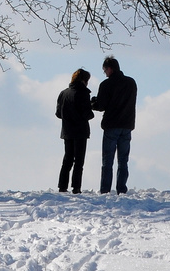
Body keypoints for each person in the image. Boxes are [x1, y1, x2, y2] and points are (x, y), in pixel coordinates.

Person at [90, 55, 137, 194]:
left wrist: (93, 103)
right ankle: (121, 189)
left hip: (111, 125)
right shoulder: (131, 83)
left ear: (109, 69)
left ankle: (105, 189)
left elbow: (102, 105)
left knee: (107, 161)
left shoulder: (106, 84)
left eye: (104, 70)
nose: (105, 73)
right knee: (123, 161)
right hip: (127, 125)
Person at [55, 68, 94, 193]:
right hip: (80, 131)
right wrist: (91, 108)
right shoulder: (83, 93)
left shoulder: (63, 93)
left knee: (67, 159)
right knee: (79, 161)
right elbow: (87, 114)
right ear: (84, 80)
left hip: (67, 131)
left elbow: (58, 113)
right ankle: (76, 187)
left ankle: (62, 186)